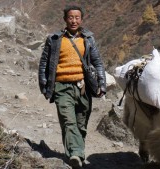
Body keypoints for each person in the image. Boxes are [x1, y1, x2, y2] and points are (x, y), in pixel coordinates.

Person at [38, 5, 106, 169]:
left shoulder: (88, 39)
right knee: (68, 122)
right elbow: (44, 64)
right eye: (70, 17)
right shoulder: (54, 39)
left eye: (77, 17)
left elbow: (97, 63)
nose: (73, 20)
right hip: (61, 87)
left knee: (81, 125)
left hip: (83, 88)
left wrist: (102, 84)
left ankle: (77, 154)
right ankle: (75, 154)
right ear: (65, 19)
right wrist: (44, 85)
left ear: (81, 20)